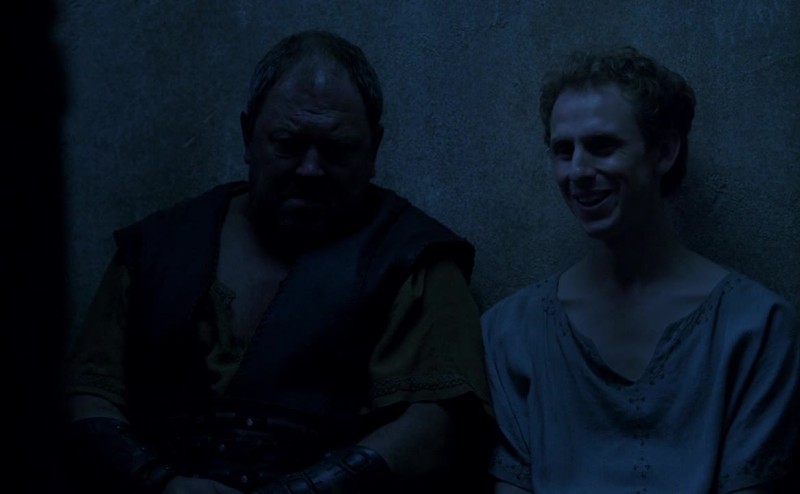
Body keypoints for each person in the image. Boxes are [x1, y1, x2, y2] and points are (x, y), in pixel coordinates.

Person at [62, 29, 491, 494]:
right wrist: (161, 483)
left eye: (336, 149)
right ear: (249, 136)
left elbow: (436, 429)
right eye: (287, 143)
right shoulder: (157, 248)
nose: (310, 170)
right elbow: (87, 394)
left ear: (374, 149)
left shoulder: (413, 258)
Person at [481, 46, 799, 493]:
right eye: (563, 150)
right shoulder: (511, 333)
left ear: (664, 151)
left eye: (602, 146)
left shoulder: (755, 327)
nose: (578, 171)